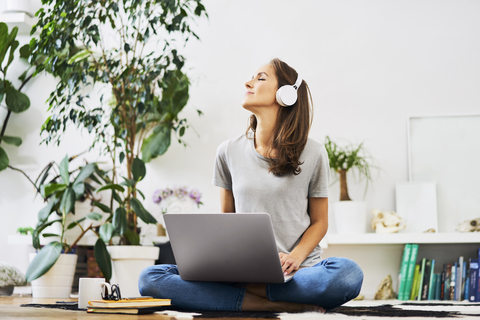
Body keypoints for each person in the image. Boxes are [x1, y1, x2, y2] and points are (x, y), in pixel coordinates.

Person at [139, 58, 364, 312]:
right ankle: (272, 304)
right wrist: (220, 266)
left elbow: (320, 222)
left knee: (348, 274)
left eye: (260, 78)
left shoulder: (313, 152)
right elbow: (227, 220)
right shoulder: (228, 151)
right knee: (150, 278)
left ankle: (241, 296)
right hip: (240, 271)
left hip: (297, 273)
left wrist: (295, 257)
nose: (248, 83)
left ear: (286, 94)